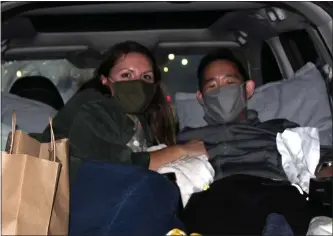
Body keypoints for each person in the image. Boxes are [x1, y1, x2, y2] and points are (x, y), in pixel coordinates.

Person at [178, 49, 314, 235]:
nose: (221, 92)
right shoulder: (185, 140)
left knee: (287, 203)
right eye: (212, 86)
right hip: (214, 198)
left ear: (248, 89)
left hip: (274, 191)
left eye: (230, 83)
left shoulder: (280, 129)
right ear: (201, 97)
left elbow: (317, 156)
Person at [39, 41, 206, 183]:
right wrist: (181, 151)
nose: (137, 84)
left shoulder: (142, 121)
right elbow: (111, 168)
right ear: (105, 81)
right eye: (126, 75)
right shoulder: (92, 107)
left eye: (146, 77)